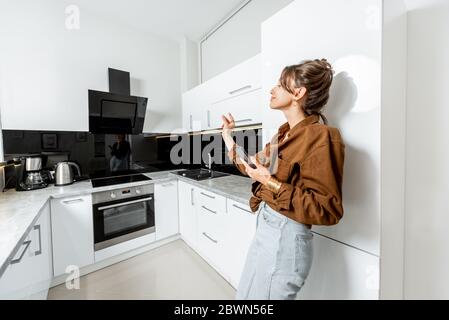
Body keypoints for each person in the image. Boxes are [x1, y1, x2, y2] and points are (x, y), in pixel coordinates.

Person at [221, 59, 345, 300]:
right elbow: (252, 166)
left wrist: (270, 182)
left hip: (286, 236)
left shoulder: (323, 137)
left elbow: (327, 209)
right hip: (266, 227)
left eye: (280, 84)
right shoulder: (282, 134)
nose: (272, 89)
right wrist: (228, 137)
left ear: (298, 93)